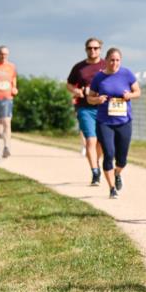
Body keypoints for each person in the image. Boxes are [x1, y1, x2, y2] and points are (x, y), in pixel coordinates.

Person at [87, 48, 140, 199]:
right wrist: (97, 99)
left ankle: (117, 173)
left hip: (124, 121)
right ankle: (112, 189)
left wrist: (130, 95)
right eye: (112, 60)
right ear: (106, 60)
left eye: (117, 60)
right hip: (105, 122)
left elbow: (138, 92)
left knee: (122, 159)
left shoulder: (127, 74)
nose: (114, 63)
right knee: (109, 154)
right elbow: (90, 98)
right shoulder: (99, 77)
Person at [66, 37, 107, 185]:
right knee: (90, 139)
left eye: (95, 48)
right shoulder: (79, 67)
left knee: (101, 141)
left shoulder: (106, 65)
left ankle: (96, 162)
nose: (92, 50)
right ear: (86, 49)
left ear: (100, 49)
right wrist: (76, 90)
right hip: (85, 107)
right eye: (90, 48)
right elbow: (69, 84)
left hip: (103, 108)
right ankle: (95, 172)